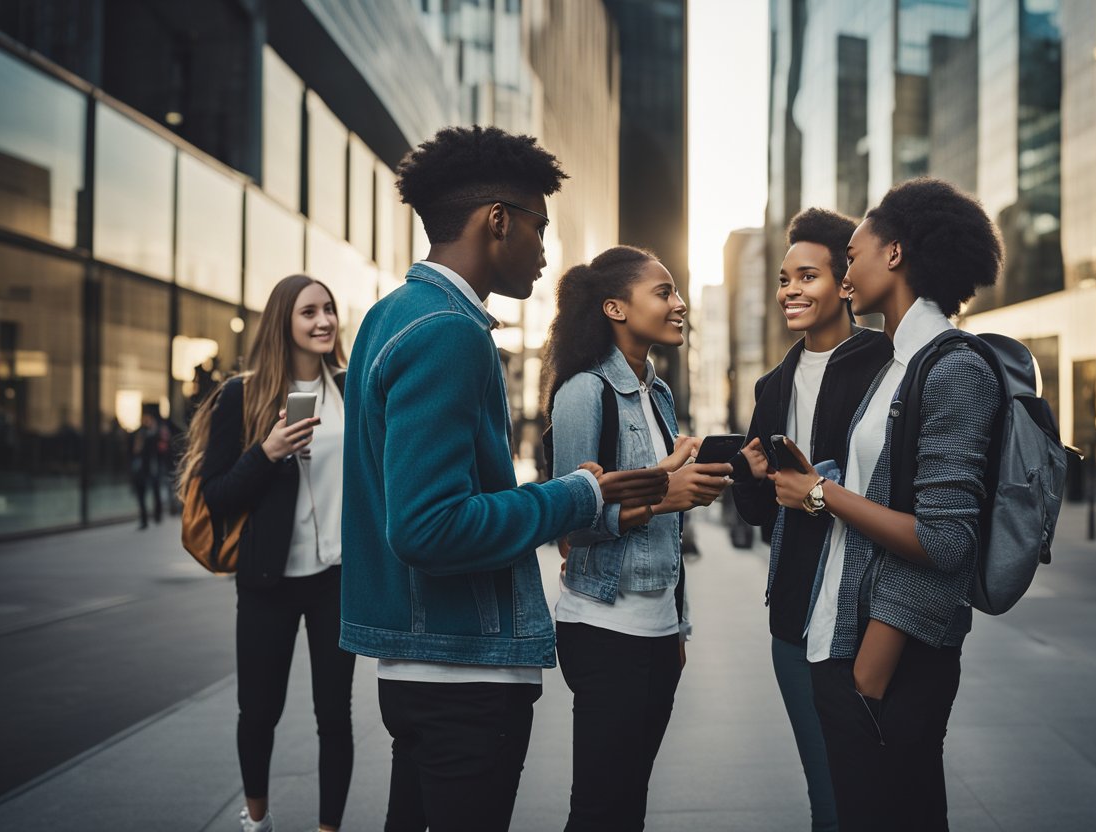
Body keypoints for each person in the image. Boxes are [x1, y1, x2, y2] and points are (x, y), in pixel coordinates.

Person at [340, 126, 670, 832]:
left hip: (419, 664)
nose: (546, 251)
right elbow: (427, 526)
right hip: (464, 675)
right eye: (538, 227)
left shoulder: (388, 317)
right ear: (498, 220)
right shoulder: (449, 331)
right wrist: (579, 493)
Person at [770, 179, 1003, 831]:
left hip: (892, 662)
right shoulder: (895, 365)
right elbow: (885, 489)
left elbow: (945, 541)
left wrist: (822, 493)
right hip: (844, 645)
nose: (846, 269)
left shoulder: (952, 366)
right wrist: (818, 481)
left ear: (894, 254)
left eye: (854, 251)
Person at [543, 246, 733, 831]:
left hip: (656, 630)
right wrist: (666, 495)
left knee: (629, 803)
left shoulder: (658, 394)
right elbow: (568, 523)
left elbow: (662, 507)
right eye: (664, 292)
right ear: (615, 307)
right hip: (603, 628)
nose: (678, 305)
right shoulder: (583, 392)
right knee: (600, 808)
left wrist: (674, 624)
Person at [731, 209, 892, 831]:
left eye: (807, 276)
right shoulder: (773, 385)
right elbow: (760, 517)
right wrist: (749, 476)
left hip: (871, 614)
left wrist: (820, 490)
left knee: (881, 790)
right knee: (828, 793)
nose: (790, 291)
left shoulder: (887, 362)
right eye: (783, 279)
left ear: (846, 282)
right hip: (796, 619)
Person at [176, 275, 355, 832]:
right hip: (266, 580)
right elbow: (216, 494)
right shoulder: (243, 394)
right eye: (309, 312)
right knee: (259, 711)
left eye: (328, 310)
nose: (323, 320)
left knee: (335, 716)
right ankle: (257, 820)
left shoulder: (350, 390)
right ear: (284, 322)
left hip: (337, 579)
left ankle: (330, 828)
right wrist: (268, 451)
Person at [132, 406, 170, 528]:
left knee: (156, 491)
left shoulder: (159, 432)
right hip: (143, 468)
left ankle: (157, 515)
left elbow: (164, 449)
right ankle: (144, 519)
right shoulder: (140, 433)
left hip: (154, 467)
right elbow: (135, 450)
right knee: (142, 493)